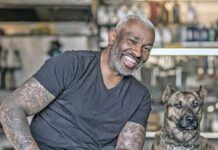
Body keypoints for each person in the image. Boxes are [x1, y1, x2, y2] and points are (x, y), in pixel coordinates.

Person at [0, 15, 155, 150]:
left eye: (146, 48)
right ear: (113, 37)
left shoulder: (140, 96)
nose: (138, 53)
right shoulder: (70, 65)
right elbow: (10, 108)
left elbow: (127, 147)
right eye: (132, 41)